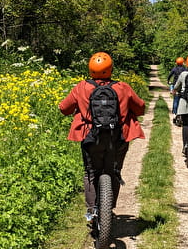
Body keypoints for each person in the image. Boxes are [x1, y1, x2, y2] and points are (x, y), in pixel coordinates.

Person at [58, 52, 145, 223]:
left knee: (91, 172)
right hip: (118, 137)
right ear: (111, 69)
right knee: (114, 170)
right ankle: (108, 209)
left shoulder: (81, 87)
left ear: (90, 69)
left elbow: (64, 108)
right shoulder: (123, 87)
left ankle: (92, 211)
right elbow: (140, 108)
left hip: (91, 137)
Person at [167, 57, 187, 125]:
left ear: (176, 62)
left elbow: (170, 75)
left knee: (176, 100)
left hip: (176, 87)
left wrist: (168, 81)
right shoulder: (185, 69)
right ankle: (183, 114)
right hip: (183, 87)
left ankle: (175, 114)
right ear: (183, 62)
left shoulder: (174, 68)